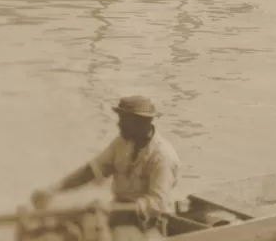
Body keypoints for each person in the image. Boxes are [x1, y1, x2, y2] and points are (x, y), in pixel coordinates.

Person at [30, 96, 180, 241]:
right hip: (119, 211)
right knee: (69, 221)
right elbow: (92, 171)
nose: (118, 124)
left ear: (142, 123)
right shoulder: (123, 142)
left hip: (148, 222)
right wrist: (54, 189)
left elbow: (157, 204)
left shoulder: (162, 156)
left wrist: (113, 209)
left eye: (124, 120)